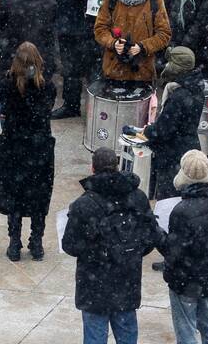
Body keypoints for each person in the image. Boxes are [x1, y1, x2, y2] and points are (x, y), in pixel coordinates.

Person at [62, 147, 162, 344]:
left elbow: (70, 246)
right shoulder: (137, 197)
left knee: (95, 335)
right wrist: (129, 253)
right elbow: (151, 236)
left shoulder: (83, 205)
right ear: (117, 165)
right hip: (127, 279)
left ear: (93, 168)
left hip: (93, 284)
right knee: (126, 333)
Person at [158, 150, 208, 344]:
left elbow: (172, 251)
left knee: (186, 332)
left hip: (185, 282)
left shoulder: (181, 211)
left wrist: (155, 232)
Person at [0, 42, 55, 262]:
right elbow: (44, 111)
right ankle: (36, 242)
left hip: (14, 148)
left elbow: (5, 110)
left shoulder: (7, 86)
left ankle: (14, 242)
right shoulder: (47, 87)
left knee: (15, 194)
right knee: (39, 196)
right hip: (39, 149)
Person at [94, 0, 172, 84]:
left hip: (142, 72)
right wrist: (113, 43)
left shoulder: (155, 0)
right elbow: (100, 29)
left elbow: (164, 34)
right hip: (114, 70)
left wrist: (142, 47)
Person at [144, 46, 205, 203]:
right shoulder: (197, 87)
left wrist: (149, 131)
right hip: (189, 146)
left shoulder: (179, 96)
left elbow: (163, 130)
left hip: (173, 154)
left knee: (169, 200)